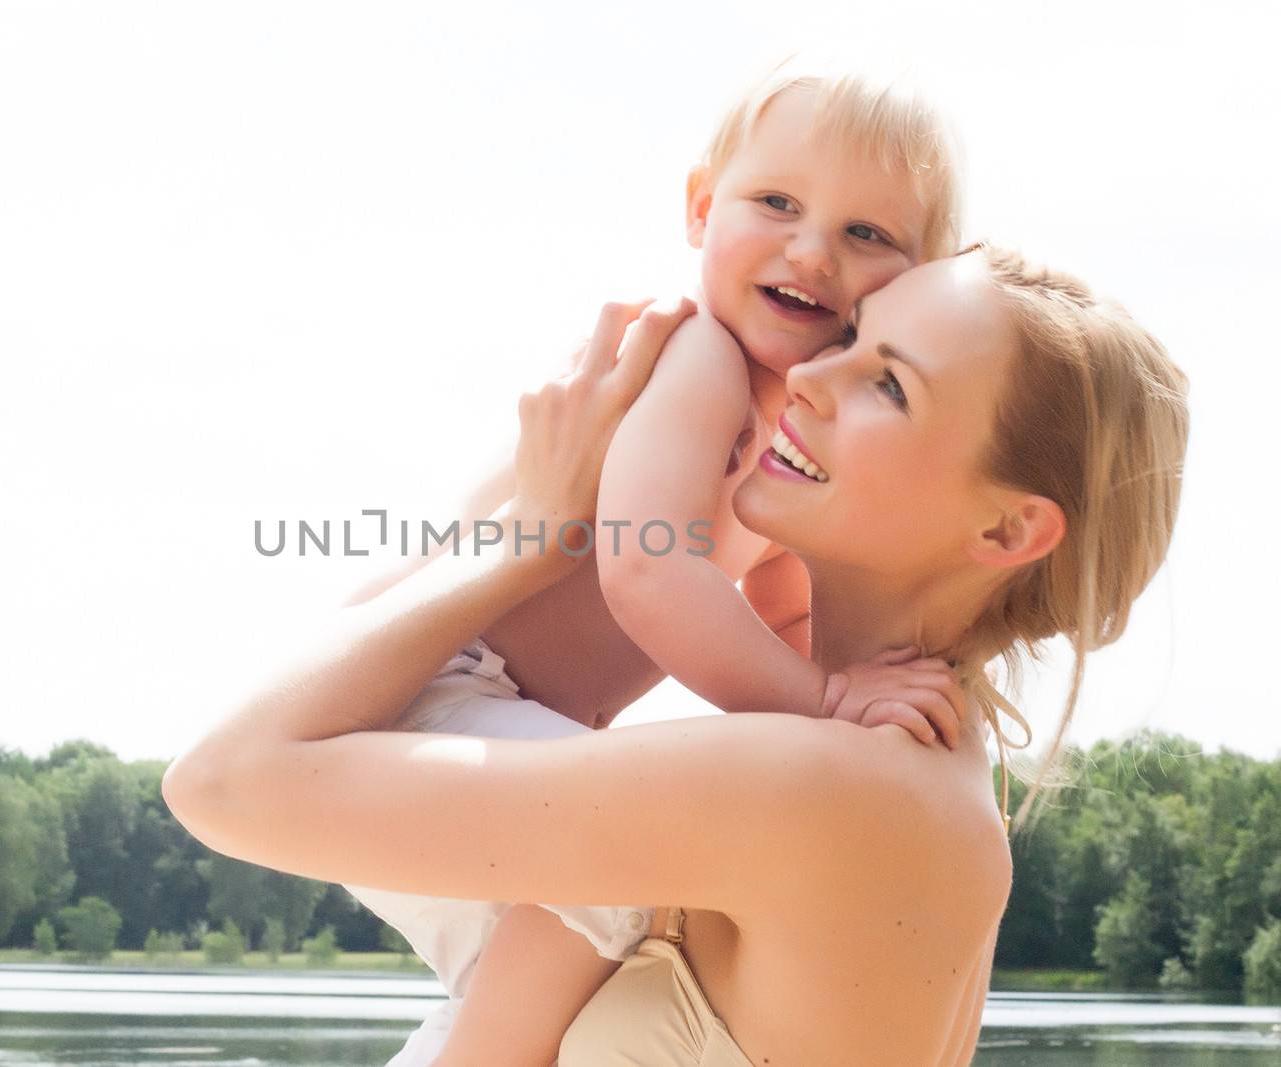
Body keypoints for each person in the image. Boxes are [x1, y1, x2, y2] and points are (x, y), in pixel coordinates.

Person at [163, 244, 1189, 1064]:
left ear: (1009, 532)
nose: (812, 376)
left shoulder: (840, 783)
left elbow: (222, 778)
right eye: (849, 336)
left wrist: (537, 525)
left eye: (890, 385)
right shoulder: (923, 770)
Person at [339, 58, 969, 1065]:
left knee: (548, 942)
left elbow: (771, 600)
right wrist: (828, 699)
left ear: (922, 277)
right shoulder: (696, 357)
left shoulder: (794, 429)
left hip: (494, 723)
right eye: (776, 203)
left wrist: (843, 727)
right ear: (698, 207)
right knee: (631, 862)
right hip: (425, 688)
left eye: (866, 233)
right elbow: (650, 571)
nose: (811, 251)